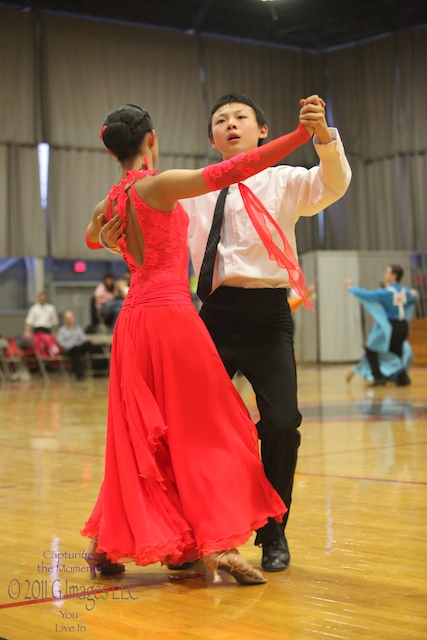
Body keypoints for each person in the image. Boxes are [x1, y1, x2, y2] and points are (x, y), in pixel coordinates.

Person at [82, 102, 315, 584]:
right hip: (171, 318)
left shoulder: (116, 195)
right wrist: (297, 136)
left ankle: (116, 542)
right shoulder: (160, 183)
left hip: (133, 322)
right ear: (151, 139)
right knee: (211, 429)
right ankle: (221, 542)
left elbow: (92, 237)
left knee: (143, 436)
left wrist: (109, 242)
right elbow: (236, 168)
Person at [178, 93, 352, 572]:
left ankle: (273, 529)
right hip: (212, 317)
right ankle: (196, 531)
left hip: (269, 316)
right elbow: (155, 234)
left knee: (280, 426)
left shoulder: (285, 180)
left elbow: (333, 185)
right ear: (211, 140)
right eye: (220, 120)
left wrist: (322, 138)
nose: (230, 124)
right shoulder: (194, 190)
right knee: (193, 429)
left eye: (240, 118)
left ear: (262, 131)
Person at [345, 265, 419, 386]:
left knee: (371, 349)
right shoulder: (405, 291)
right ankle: (402, 379)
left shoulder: (387, 293)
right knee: (395, 352)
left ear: (394, 275)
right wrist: (415, 294)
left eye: (387, 272)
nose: (385, 274)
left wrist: (350, 288)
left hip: (392, 326)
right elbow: (414, 299)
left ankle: (379, 378)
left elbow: (367, 295)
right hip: (403, 326)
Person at [23, 291, 61, 358]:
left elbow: (54, 322)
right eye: (41, 298)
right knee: (37, 345)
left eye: (43, 298)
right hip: (37, 331)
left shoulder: (51, 308)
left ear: (45, 299)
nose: (42, 300)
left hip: (46, 330)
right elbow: (29, 321)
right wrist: (27, 332)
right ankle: (41, 358)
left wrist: (54, 332)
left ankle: (50, 357)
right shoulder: (34, 308)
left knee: (49, 343)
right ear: (38, 298)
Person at [56, 311, 92, 380]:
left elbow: (83, 339)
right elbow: (61, 342)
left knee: (88, 344)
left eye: (70, 318)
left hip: (79, 348)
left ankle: (94, 369)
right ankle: (80, 375)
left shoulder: (78, 329)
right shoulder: (62, 331)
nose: (69, 320)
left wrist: (78, 345)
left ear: (73, 318)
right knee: (76, 351)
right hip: (69, 350)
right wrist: (73, 345)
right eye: (67, 318)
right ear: (65, 320)